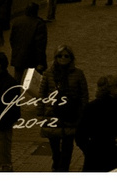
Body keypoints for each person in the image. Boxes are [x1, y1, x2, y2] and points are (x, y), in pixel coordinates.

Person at [38, 44, 89, 172]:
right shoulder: (48, 73)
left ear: (71, 58)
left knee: (67, 146)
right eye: (60, 56)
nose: (63, 58)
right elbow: (42, 93)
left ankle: (63, 170)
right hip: (52, 114)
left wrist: (82, 112)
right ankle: (57, 164)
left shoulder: (78, 74)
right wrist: (41, 111)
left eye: (66, 56)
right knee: (54, 146)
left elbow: (84, 95)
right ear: (56, 57)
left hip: (71, 115)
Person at [78, 74, 117, 171]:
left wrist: (88, 150)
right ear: (110, 88)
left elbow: (80, 134)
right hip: (113, 152)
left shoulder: (91, 107)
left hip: (94, 153)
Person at [9, 2, 49, 76]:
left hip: (19, 56)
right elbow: (40, 45)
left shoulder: (17, 21)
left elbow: (12, 39)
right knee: (34, 81)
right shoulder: (39, 23)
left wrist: (16, 50)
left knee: (17, 78)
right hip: (33, 58)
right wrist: (40, 61)